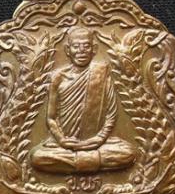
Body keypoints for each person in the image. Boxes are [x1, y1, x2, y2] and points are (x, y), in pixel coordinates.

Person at [30, 27, 136, 174]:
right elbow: (51, 118)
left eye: (86, 46)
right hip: (65, 146)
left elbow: (111, 114)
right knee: (37, 157)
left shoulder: (101, 73)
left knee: (128, 153)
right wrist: (61, 140)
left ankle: (74, 163)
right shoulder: (58, 77)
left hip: (98, 143)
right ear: (68, 50)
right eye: (76, 46)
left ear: (94, 49)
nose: (81, 51)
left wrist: (99, 139)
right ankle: (90, 162)